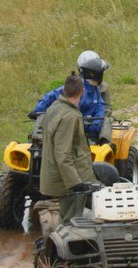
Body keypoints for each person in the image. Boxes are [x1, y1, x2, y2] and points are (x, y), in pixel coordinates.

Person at [40, 73, 99, 223]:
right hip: (69, 182)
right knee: (71, 223)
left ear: (64, 90)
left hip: (61, 177)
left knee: (99, 203)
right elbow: (63, 155)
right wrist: (75, 184)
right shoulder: (70, 116)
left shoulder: (54, 107)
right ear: (82, 92)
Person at [31, 51, 110, 142]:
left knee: (104, 122)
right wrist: (38, 110)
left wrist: (93, 130)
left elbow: (99, 112)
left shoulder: (96, 91)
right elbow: (52, 96)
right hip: (66, 125)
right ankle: (38, 140)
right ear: (95, 74)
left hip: (85, 130)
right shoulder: (76, 86)